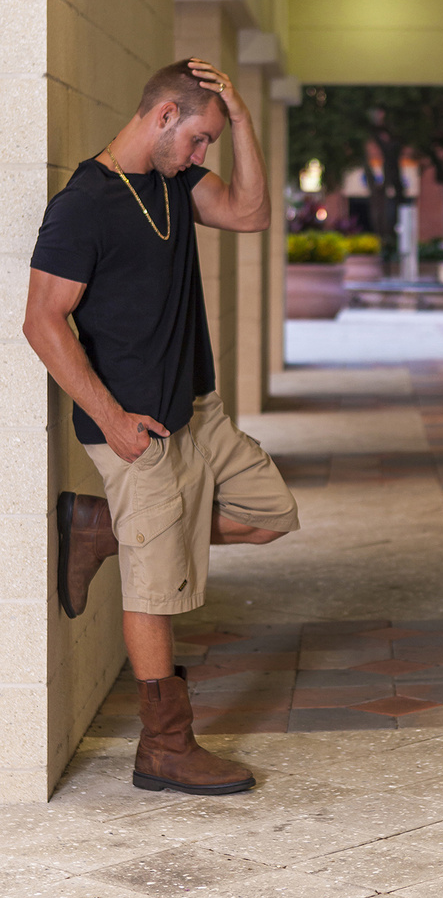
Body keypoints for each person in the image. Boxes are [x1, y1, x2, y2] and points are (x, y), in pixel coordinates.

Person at [23, 57, 299, 796]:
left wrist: (240, 118)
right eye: (203, 138)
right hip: (135, 430)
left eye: (215, 141)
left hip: (197, 412)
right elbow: (41, 322)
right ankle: (165, 747)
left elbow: (251, 213)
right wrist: (111, 420)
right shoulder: (84, 204)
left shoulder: (173, 184)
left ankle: (101, 527)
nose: (205, 154)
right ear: (164, 117)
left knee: (273, 514)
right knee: (156, 592)